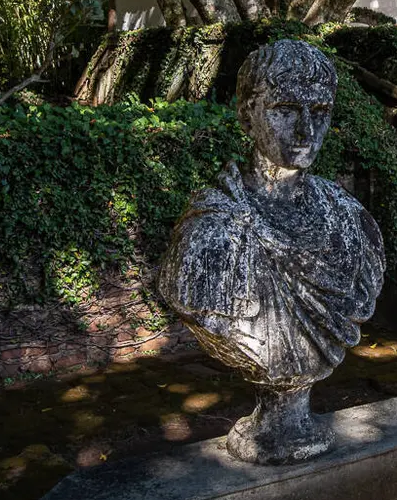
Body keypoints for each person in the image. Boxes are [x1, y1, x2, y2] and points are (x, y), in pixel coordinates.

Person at [158, 40, 385, 463]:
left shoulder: (352, 223)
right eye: (285, 110)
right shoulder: (210, 235)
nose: (305, 132)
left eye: (319, 113)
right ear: (247, 115)